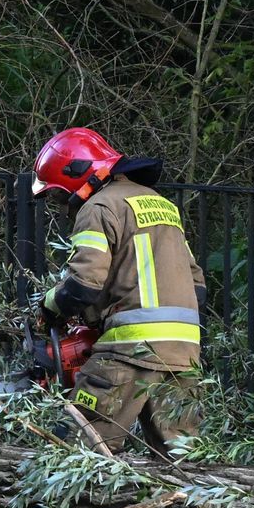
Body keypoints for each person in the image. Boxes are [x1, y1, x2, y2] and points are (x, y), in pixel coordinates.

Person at [31, 127, 205, 458]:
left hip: (129, 350)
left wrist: (50, 306)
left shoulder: (99, 207)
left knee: (81, 452)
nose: (61, 204)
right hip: (184, 353)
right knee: (180, 461)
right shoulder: (163, 205)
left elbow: (84, 283)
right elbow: (196, 286)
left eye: (58, 195)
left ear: (75, 174)